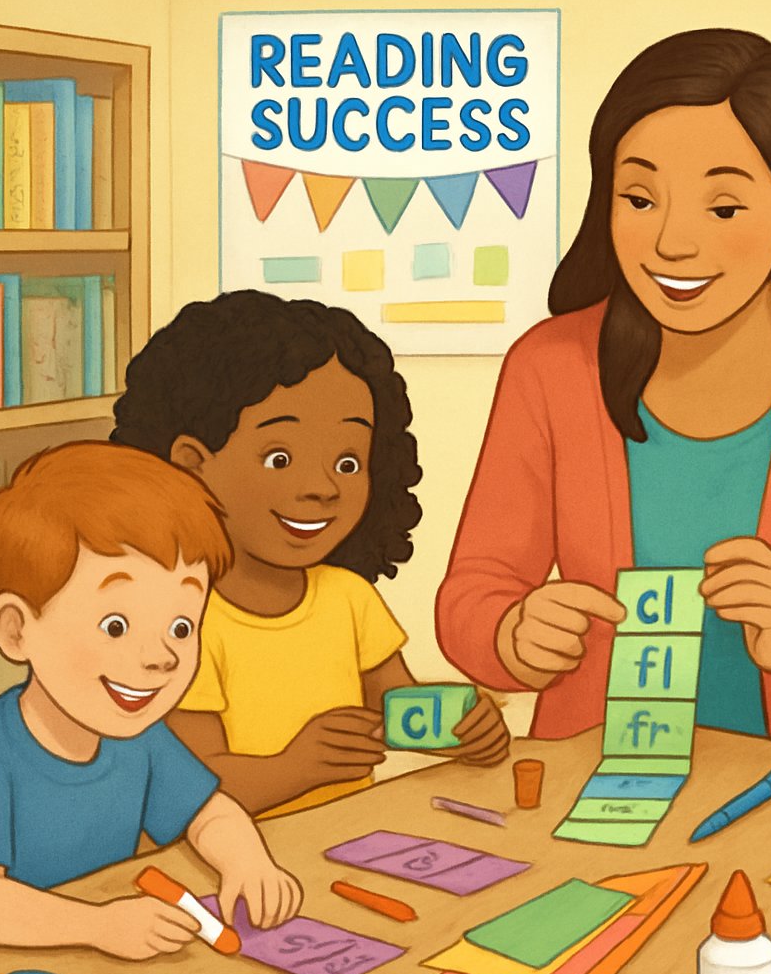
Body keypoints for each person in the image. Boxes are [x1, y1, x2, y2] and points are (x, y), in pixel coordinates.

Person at [437, 28, 771, 745]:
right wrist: (514, 635)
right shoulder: (551, 365)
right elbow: (472, 591)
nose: (672, 242)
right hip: (590, 774)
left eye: (722, 208)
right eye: (639, 199)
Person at [112, 291, 509, 818]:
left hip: (342, 840)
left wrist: (464, 727)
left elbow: (399, 711)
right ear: (190, 465)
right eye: (279, 458)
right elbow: (185, 788)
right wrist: (295, 767)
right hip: (231, 862)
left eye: (348, 463)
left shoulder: (347, 597)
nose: (324, 487)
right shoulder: (179, 619)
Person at [0, 442, 301, 957]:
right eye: (116, 625)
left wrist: (248, 861)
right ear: (17, 631)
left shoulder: (139, 740)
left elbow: (209, 812)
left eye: (180, 626)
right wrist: (97, 927)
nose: (161, 658)